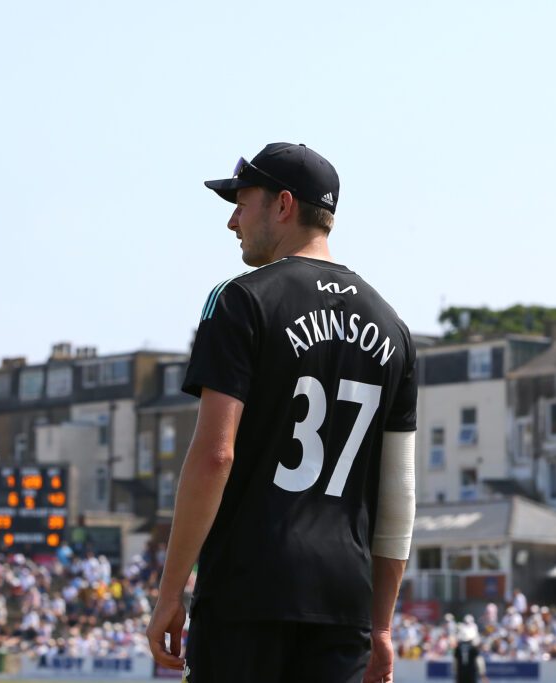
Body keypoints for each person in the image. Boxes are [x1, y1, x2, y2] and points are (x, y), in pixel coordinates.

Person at [146, 143, 418, 683]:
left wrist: (171, 590)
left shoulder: (242, 300)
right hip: (344, 599)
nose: (231, 221)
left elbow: (215, 456)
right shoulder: (394, 327)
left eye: (241, 203)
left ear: (283, 205)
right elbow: (399, 494)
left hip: (250, 588)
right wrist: (381, 626)